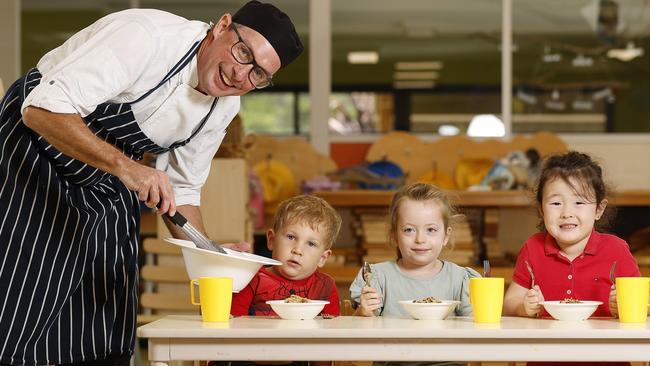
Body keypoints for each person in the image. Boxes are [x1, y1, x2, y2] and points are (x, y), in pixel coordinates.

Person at [0, 1, 303, 365]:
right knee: (24, 289)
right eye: (243, 53)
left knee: (108, 295)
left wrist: (210, 254)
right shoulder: (146, 37)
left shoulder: (222, 108)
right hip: (34, 153)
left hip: (109, 172)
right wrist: (127, 167)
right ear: (222, 26)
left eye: (258, 75)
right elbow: (41, 109)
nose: (241, 76)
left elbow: (183, 190)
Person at [503, 151, 642, 322]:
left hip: (604, 344)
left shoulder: (616, 250)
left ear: (599, 209)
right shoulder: (533, 248)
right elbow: (509, 303)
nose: (567, 213)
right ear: (541, 209)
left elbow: (644, 304)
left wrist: (627, 306)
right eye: (556, 203)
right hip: (546, 343)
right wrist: (523, 307)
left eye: (579, 203)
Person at [352, 182, 480, 319]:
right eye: (409, 230)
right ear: (394, 235)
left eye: (431, 230)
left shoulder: (461, 280)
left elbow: (476, 329)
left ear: (446, 236)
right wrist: (363, 312)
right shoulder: (377, 278)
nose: (420, 239)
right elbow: (359, 328)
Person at [231, 194, 342, 317]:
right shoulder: (250, 279)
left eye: (311, 243)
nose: (298, 250)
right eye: (291, 237)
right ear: (271, 240)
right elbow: (234, 325)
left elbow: (332, 330)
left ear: (322, 258)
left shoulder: (325, 286)